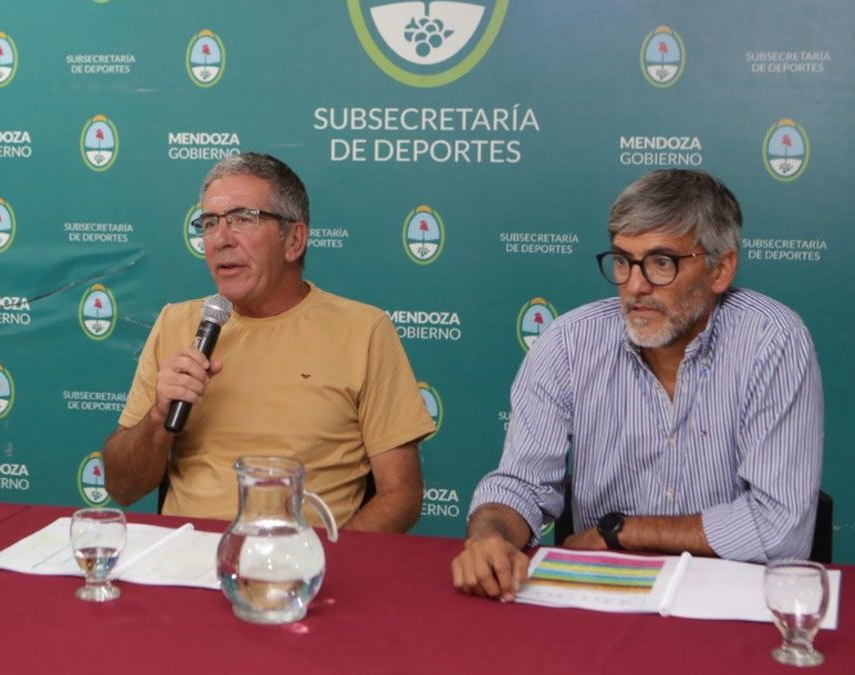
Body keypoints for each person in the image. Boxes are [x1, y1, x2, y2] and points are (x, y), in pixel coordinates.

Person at [451, 169, 823, 600]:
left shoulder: (772, 341)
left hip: (731, 597)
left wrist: (620, 532)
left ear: (720, 270)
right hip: (603, 593)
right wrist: (490, 535)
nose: (635, 286)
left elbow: (780, 531)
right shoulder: (568, 343)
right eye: (623, 261)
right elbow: (521, 484)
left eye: (661, 262)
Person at [102, 152, 434, 532]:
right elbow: (122, 488)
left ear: (294, 240)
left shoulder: (364, 330)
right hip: (188, 555)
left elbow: (401, 494)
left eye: (243, 219)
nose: (221, 239)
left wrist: (327, 556)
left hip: (302, 557)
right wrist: (157, 419)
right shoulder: (176, 323)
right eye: (209, 223)